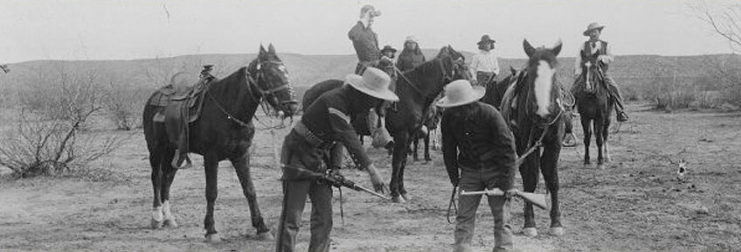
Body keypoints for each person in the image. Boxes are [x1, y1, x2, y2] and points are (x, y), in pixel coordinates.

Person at [275, 67, 398, 252]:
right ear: (363, 93)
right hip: (299, 154)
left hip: (321, 158)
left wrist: (336, 168)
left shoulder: (353, 107)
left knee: (324, 218)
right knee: (293, 218)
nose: (374, 104)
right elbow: (347, 135)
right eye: (374, 98)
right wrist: (373, 171)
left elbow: (338, 137)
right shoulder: (335, 100)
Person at [438, 80, 517, 252]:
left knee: (501, 218)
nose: (458, 111)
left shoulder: (491, 114)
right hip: (469, 172)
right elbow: (448, 149)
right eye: (454, 107)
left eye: (461, 106)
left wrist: (507, 184)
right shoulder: (448, 118)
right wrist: (455, 178)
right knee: (463, 218)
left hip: (495, 171)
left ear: (471, 103)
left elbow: (508, 150)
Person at [573, 22, 629, 122]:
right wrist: (578, 72)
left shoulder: (606, 45)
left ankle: (620, 111)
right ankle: (570, 111)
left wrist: (601, 58)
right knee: (574, 88)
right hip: (586, 72)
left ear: (599, 32)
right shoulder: (583, 45)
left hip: (602, 72)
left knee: (614, 87)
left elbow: (611, 57)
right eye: (591, 32)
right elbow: (578, 59)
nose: (593, 34)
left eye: (595, 32)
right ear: (589, 34)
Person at [348, 4, 386, 75]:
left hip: (377, 66)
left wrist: (383, 57)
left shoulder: (372, 33)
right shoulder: (358, 30)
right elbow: (352, 34)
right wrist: (364, 20)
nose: (372, 19)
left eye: (372, 17)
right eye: (370, 17)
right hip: (365, 68)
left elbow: (376, 50)